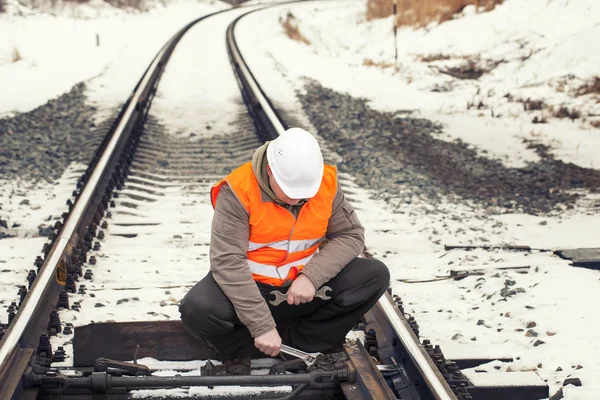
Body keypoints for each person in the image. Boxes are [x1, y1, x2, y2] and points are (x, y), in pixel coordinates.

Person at [179, 127, 390, 375]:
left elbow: (350, 234)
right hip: (251, 290)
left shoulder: (324, 184)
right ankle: (238, 352)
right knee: (198, 308)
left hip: (303, 292)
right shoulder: (238, 191)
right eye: (291, 194)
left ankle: (300, 347)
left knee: (374, 274)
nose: (298, 201)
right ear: (270, 171)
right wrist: (261, 325)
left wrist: (311, 277)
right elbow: (227, 261)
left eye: (305, 196)